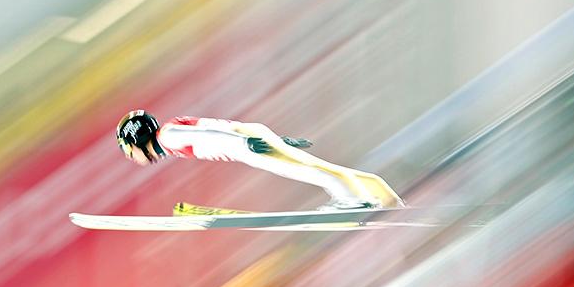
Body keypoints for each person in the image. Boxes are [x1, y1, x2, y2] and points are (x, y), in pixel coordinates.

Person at [116, 110, 405, 210]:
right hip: (250, 137)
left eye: (129, 150)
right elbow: (220, 126)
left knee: (310, 173)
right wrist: (277, 139)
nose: (132, 157)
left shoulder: (168, 137)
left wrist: (246, 145)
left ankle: (352, 201)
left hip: (246, 145)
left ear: (137, 140)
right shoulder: (171, 131)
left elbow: (211, 135)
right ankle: (388, 200)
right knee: (320, 168)